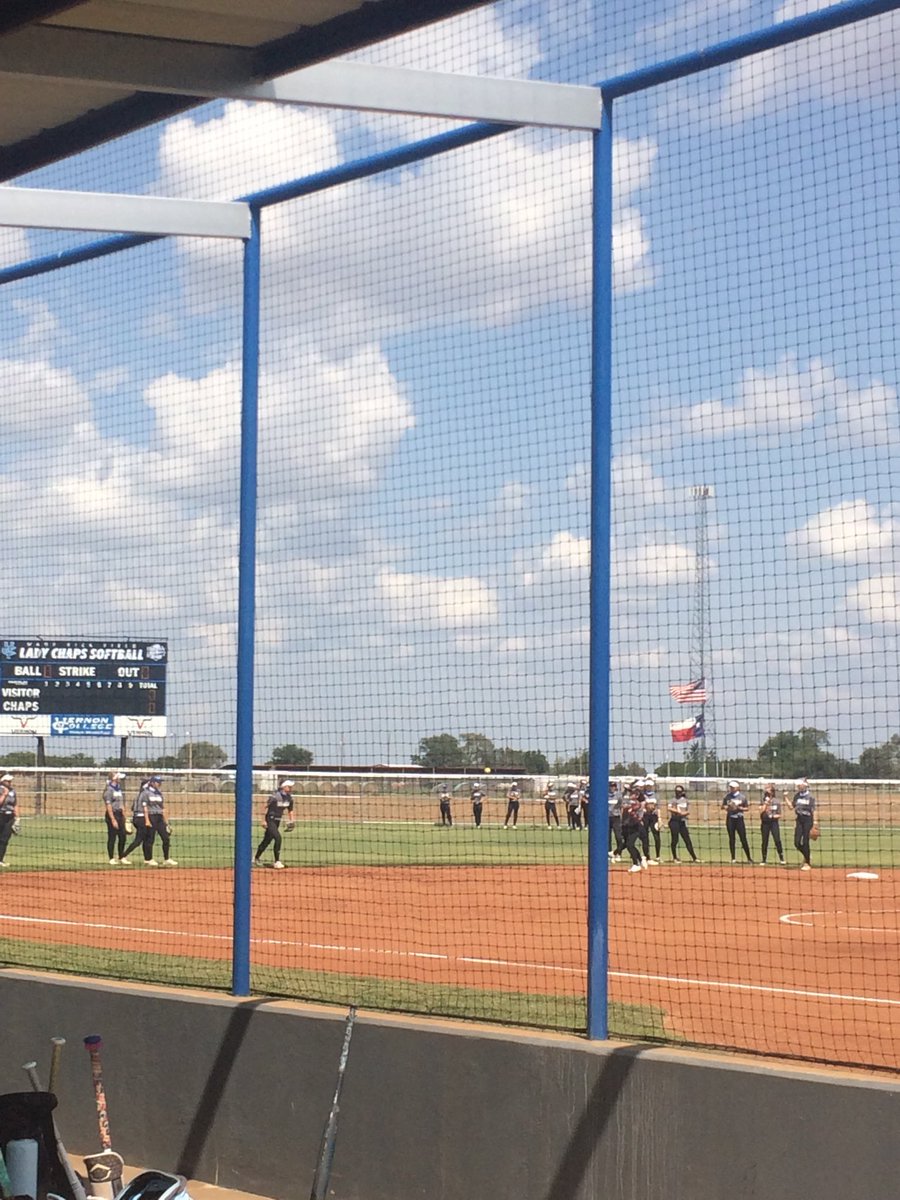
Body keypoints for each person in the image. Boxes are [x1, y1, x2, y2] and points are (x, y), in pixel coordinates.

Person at [254, 778, 294, 868]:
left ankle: (256, 858)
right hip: (270, 819)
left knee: (267, 840)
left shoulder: (289, 798)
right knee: (278, 838)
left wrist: (292, 821)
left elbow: (290, 810)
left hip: (277, 821)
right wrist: (263, 820)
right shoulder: (275, 796)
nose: (291, 788)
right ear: (284, 787)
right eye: (289, 786)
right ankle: (277, 861)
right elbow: (265, 807)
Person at [142, 774, 177, 866]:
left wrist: (166, 823)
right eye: (158, 782)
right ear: (152, 783)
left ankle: (166, 858)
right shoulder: (146, 793)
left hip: (159, 817)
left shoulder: (159, 794)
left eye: (160, 782)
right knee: (150, 839)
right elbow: (144, 807)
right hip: (151, 816)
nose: (159, 784)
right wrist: (147, 820)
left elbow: (163, 807)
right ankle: (149, 859)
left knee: (166, 838)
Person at [722, 779, 753, 864]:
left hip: (739, 818)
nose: (731, 789)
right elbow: (723, 806)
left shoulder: (742, 797)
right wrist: (728, 807)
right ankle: (733, 858)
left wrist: (739, 808)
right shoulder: (727, 796)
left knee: (743, 838)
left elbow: (747, 808)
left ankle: (749, 858)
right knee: (732, 838)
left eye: (733, 787)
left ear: (737, 788)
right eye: (730, 787)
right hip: (730, 819)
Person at [790, 779, 818, 870]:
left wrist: (815, 823)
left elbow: (814, 810)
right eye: (798, 786)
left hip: (808, 820)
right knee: (796, 842)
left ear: (805, 786)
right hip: (799, 820)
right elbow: (792, 806)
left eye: (800, 785)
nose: (798, 787)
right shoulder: (797, 796)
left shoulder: (810, 797)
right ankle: (807, 856)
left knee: (806, 841)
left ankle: (807, 863)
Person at [102, 770, 129, 865]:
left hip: (120, 814)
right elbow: (108, 806)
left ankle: (121, 856)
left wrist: (125, 817)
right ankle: (111, 858)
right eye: (119, 777)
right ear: (114, 778)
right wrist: (113, 819)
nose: (120, 779)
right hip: (112, 814)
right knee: (112, 837)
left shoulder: (118, 789)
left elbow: (121, 804)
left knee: (123, 836)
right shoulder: (109, 790)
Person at [667, 784, 698, 862]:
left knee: (687, 839)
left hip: (682, 822)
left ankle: (694, 858)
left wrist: (684, 813)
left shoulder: (686, 800)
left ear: (682, 792)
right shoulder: (672, 800)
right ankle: (675, 857)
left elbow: (688, 811)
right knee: (675, 840)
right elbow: (669, 808)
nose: (678, 793)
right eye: (676, 791)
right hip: (674, 822)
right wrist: (677, 811)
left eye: (679, 791)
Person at [620, 785, 646, 872]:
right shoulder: (627, 801)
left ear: (637, 795)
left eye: (633, 793)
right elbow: (623, 805)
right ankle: (640, 859)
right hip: (626, 826)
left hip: (635, 827)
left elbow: (635, 809)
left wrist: (630, 809)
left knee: (629, 845)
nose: (631, 794)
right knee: (628, 844)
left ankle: (636, 864)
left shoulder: (637, 803)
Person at [758, 782, 786, 865]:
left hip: (774, 823)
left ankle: (781, 858)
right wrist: (766, 804)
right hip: (765, 823)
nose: (766, 791)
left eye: (768, 789)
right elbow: (761, 811)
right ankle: (763, 859)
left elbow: (780, 814)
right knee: (764, 841)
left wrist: (773, 816)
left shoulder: (777, 801)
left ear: (772, 792)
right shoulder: (763, 800)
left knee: (777, 840)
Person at [640, 779, 661, 863]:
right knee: (645, 837)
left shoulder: (656, 795)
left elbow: (658, 807)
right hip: (645, 816)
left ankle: (658, 856)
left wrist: (659, 818)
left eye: (650, 786)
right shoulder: (642, 795)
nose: (649, 787)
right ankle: (646, 856)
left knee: (656, 836)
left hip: (654, 817)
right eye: (647, 786)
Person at [0, 773, 17, 867]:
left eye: (10, 781)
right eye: (8, 781)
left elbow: (15, 804)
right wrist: (4, 794)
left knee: (4, 839)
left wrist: (17, 818)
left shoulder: (13, 791)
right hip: (0, 815)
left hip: (9, 817)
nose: (10, 783)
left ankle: (0, 860)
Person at [607, 781, 623, 860]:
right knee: (607, 837)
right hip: (607, 818)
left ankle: (618, 853)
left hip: (616, 818)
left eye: (614, 786)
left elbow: (621, 806)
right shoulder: (605, 795)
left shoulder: (618, 795)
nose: (612, 787)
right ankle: (609, 853)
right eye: (611, 786)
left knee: (618, 836)